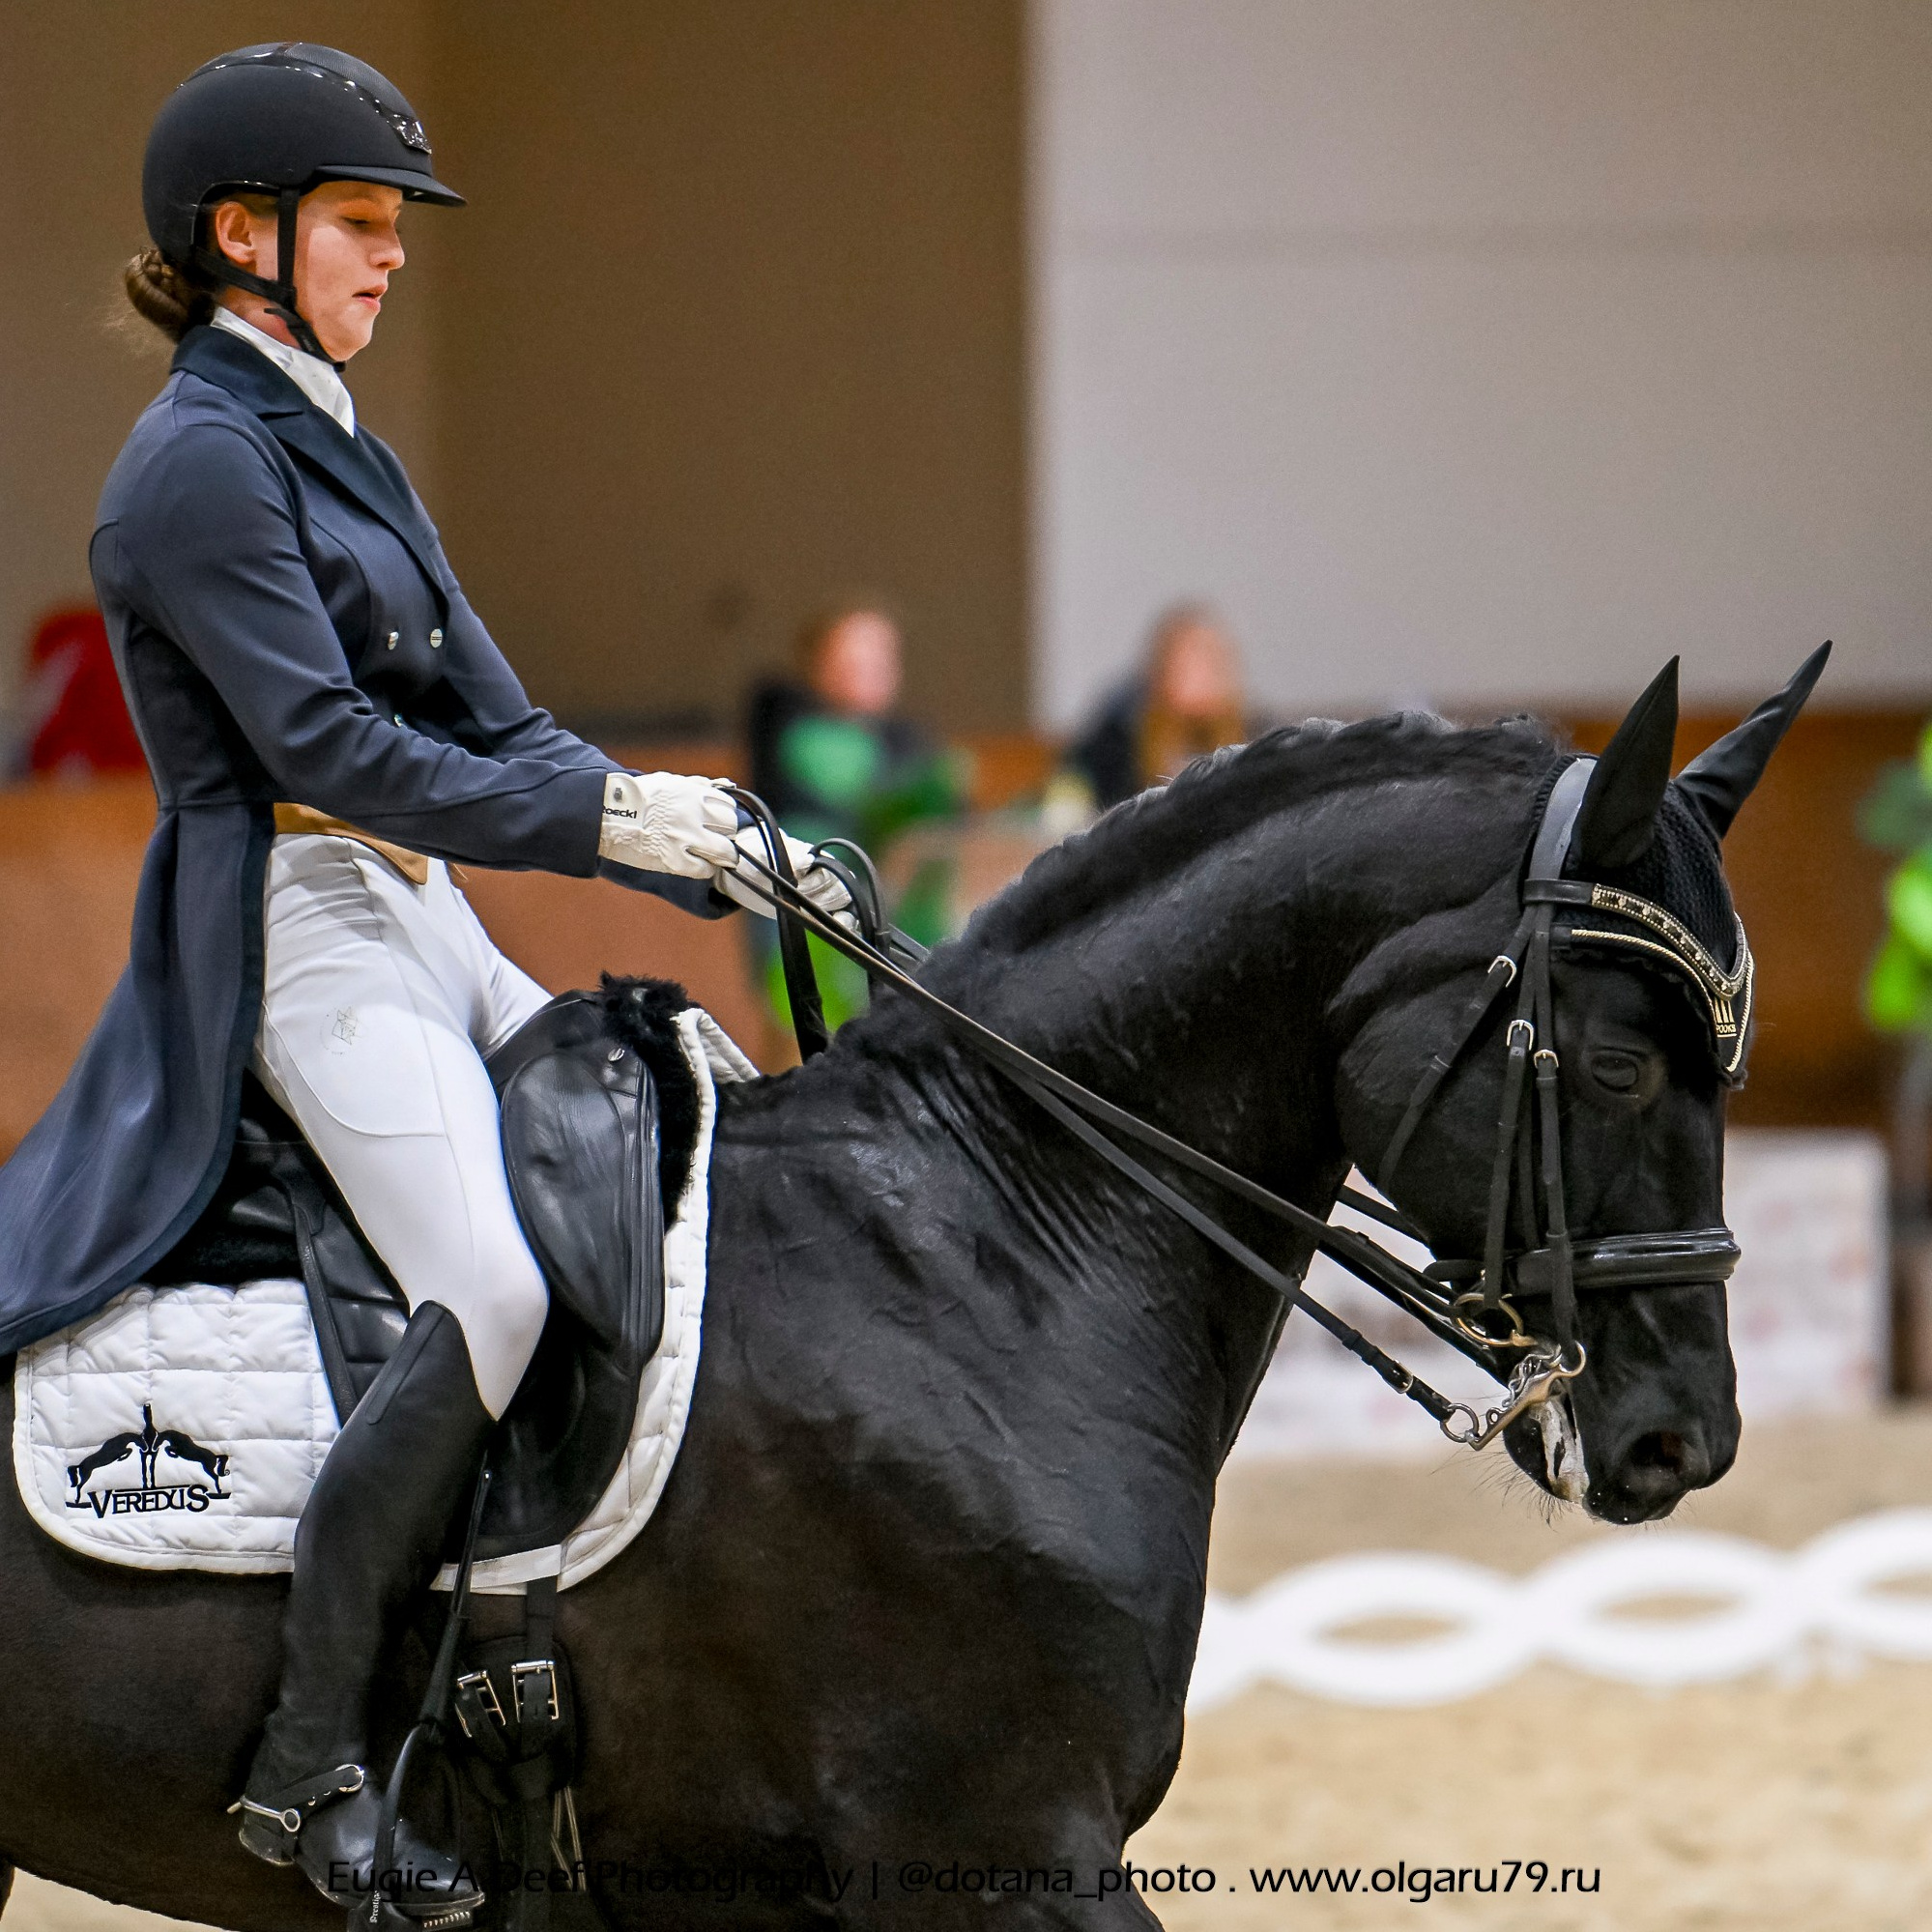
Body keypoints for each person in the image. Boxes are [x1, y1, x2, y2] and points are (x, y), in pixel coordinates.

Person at [0, 44, 850, 1918]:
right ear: (244, 236)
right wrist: (615, 834)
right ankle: (308, 1766)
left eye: (393, 230)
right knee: (482, 1273)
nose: (391, 262)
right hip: (296, 914)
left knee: (684, 1136)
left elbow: (486, 710)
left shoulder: (336, 438)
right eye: (360, 227)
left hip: (425, 905)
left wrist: (702, 824)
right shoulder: (194, 468)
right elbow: (343, 748)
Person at [745, 603, 962, 1029]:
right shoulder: (786, 728)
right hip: (809, 913)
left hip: (898, 924)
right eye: (852, 658)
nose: (869, 670)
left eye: (881, 659)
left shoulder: (910, 745)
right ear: (818, 662)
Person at [1053, 603, 1249, 817]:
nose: (1199, 678)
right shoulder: (1119, 738)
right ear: (1162, 671)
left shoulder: (1251, 737)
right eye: (1186, 666)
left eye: (1210, 666)